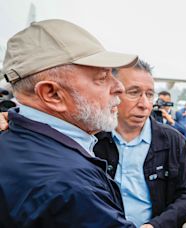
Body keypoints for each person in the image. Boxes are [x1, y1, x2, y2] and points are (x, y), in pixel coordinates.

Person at [0, 19, 138, 226]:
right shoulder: (70, 185)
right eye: (102, 78)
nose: (119, 87)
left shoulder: (12, 140)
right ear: (52, 94)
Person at [94, 60, 186, 227]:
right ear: (113, 93)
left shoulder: (172, 141)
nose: (144, 104)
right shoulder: (93, 140)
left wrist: (157, 225)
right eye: (133, 92)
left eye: (150, 95)